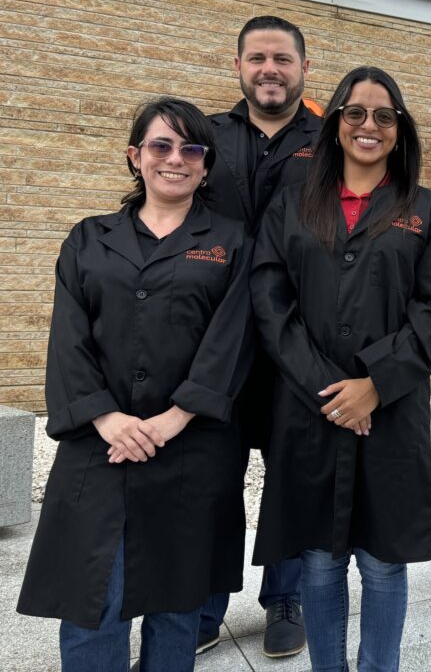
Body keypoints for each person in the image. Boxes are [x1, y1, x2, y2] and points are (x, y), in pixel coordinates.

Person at [17, 97, 251, 672]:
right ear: (135, 156)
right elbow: (68, 340)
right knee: (96, 598)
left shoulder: (232, 242)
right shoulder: (88, 239)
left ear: (205, 164)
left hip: (190, 448)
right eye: (161, 146)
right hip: (101, 449)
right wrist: (108, 419)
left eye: (190, 149)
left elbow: (233, 342)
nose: (176, 159)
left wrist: (173, 418)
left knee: (176, 603)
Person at [251, 66, 431, 671]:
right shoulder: (292, 205)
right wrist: (331, 391)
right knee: (318, 557)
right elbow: (269, 304)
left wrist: (375, 383)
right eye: (356, 113)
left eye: (384, 116)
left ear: (400, 131)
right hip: (307, 407)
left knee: (381, 560)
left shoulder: (426, 211)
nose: (369, 125)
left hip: (390, 411)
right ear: (335, 123)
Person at [197, 15, 323, 658]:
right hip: (213, 336)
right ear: (239, 66)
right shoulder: (203, 137)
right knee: (211, 475)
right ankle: (203, 602)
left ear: (304, 67)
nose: (268, 69)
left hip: (295, 337)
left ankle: (286, 597)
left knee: (292, 474)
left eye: (282, 58)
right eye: (256, 58)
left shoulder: (329, 143)